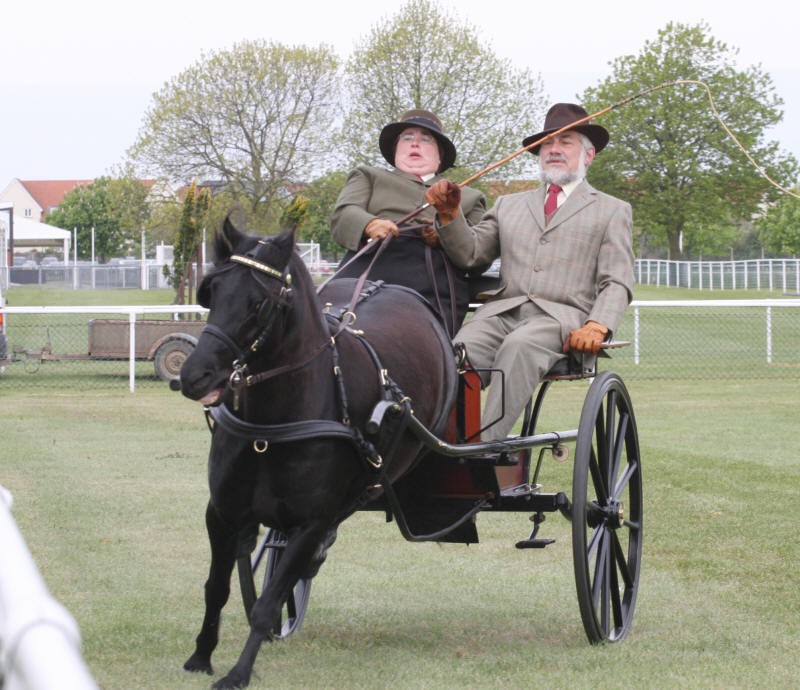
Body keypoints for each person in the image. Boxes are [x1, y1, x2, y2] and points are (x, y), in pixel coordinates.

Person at [424, 103, 635, 441]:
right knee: (452, 354)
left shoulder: (612, 211)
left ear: (588, 154)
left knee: (519, 347)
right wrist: (450, 215)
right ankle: (437, 447)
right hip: (500, 314)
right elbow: (471, 255)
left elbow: (617, 280)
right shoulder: (509, 205)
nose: (553, 149)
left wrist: (598, 324)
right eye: (547, 143)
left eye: (565, 142)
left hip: (559, 320)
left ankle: (485, 450)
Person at [330, 110, 487, 336]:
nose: (415, 143)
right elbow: (343, 214)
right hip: (370, 265)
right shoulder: (368, 176)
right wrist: (370, 224)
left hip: (434, 279)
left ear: (439, 156)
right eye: (407, 137)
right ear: (396, 150)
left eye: (426, 139)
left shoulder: (470, 197)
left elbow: (479, 254)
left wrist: (447, 232)